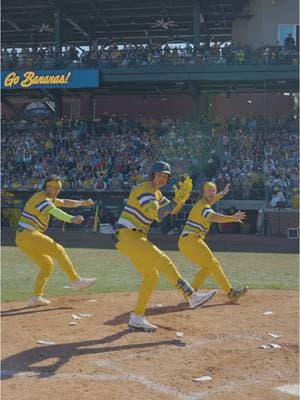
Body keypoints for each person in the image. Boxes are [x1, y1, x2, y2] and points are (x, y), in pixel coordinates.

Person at [115, 161, 217, 332]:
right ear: (152, 175)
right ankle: (191, 295)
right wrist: (175, 200)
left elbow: (172, 210)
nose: (163, 179)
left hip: (132, 238)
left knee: (151, 276)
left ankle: (137, 318)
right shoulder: (143, 190)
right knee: (165, 261)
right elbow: (157, 214)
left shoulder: (156, 192)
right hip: (129, 236)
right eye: (160, 175)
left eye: (165, 177)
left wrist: (182, 199)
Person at [15, 175, 97, 306]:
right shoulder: (40, 198)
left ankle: (36, 297)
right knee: (58, 249)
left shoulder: (48, 198)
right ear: (45, 186)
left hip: (22, 239)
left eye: (57, 187)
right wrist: (71, 219)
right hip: (29, 234)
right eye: (51, 186)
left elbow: (64, 202)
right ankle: (75, 280)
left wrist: (82, 202)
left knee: (47, 265)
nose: (54, 189)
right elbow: (54, 211)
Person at [178, 182, 248, 302]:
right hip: (192, 240)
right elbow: (214, 217)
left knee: (207, 267)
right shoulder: (204, 207)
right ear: (203, 192)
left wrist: (222, 194)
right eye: (209, 190)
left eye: (213, 190)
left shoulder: (203, 203)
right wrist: (232, 218)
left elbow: (211, 201)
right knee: (213, 264)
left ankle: (190, 293)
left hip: (186, 242)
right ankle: (230, 292)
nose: (212, 192)